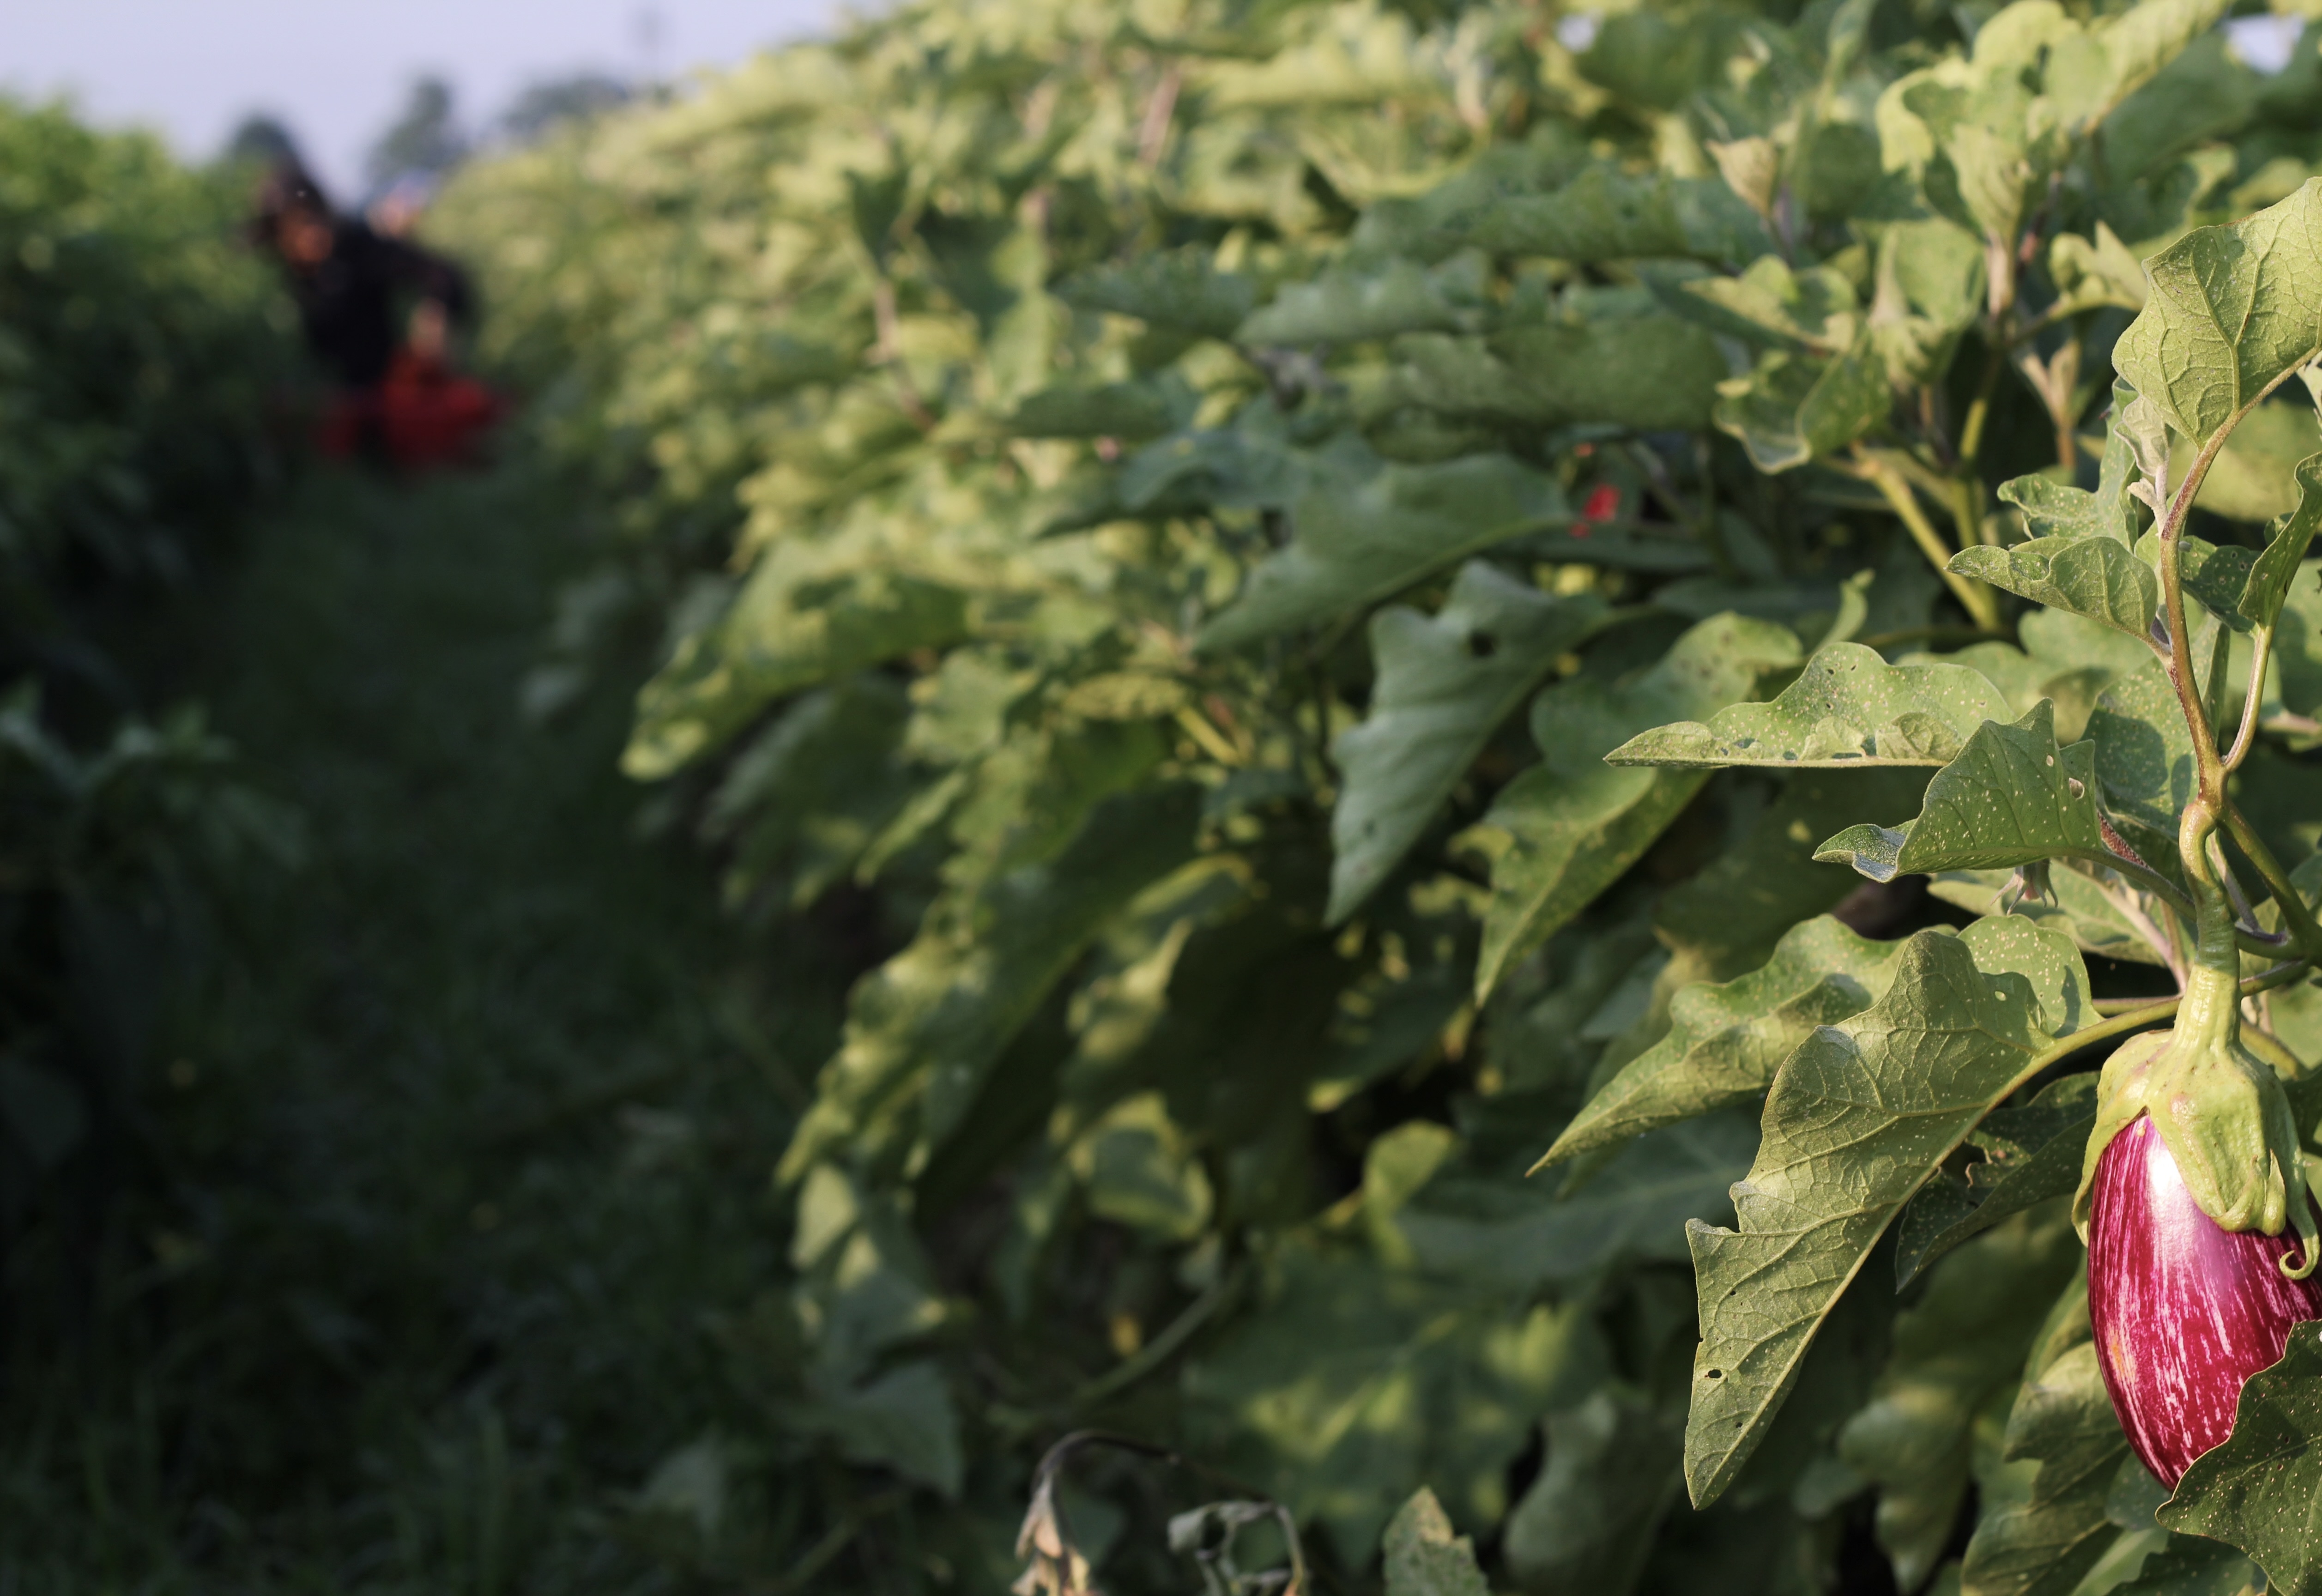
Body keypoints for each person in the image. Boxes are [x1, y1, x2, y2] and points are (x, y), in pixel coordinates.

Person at [249, 161, 498, 466]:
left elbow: (443, 274)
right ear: (278, 234)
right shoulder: (263, 284)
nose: (313, 233)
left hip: (384, 393)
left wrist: (436, 314)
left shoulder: (356, 250)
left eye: (316, 218)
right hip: (320, 407)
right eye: (299, 225)